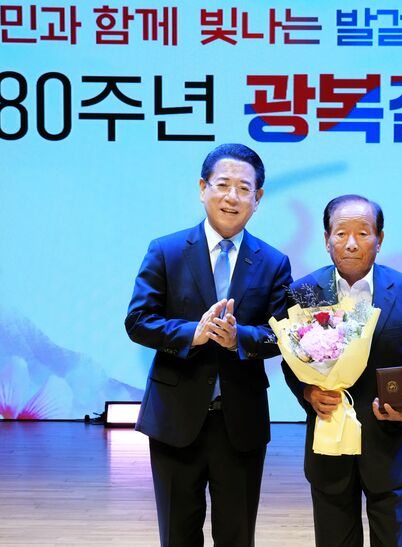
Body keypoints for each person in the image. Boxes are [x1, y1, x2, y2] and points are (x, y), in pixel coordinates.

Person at [125, 143, 292, 547]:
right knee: (177, 536)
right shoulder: (165, 251)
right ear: (203, 189)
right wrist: (192, 334)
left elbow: (284, 335)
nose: (232, 197)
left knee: (237, 536)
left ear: (258, 198)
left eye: (243, 188)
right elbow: (138, 321)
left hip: (241, 422)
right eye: (222, 185)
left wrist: (239, 338)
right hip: (174, 419)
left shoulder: (273, 262)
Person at [282, 194, 402, 547]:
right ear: (326, 240)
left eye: (363, 233)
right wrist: (308, 393)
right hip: (329, 446)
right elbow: (293, 362)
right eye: (340, 233)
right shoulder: (304, 292)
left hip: (388, 448)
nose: (351, 243)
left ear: (379, 239)